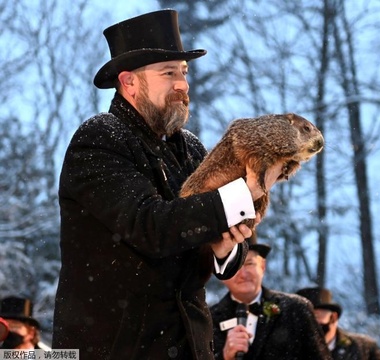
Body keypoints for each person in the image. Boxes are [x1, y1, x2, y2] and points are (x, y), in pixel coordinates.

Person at [52, 9, 283, 360]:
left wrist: (225, 250)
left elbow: (208, 234)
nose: (182, 84)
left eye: (184, 73)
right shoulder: (100, 138)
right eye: (168, 73)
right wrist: (244, 192)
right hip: (118, 345)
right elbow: (150, 225)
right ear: (129, 82)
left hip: (190, 344)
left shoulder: (190, 147)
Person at [210, 235, 331, 359]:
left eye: (249, 263)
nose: (243, 273)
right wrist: (224, 356)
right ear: (221, 273)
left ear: (262, 266)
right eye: (234, 266)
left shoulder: (296, 308)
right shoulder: (209, 320)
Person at [296, 287, 380, 360]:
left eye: (316, 316)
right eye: (303, 318)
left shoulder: (363, 349)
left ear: (333, 317)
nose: (310, 324)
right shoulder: (292, 350)